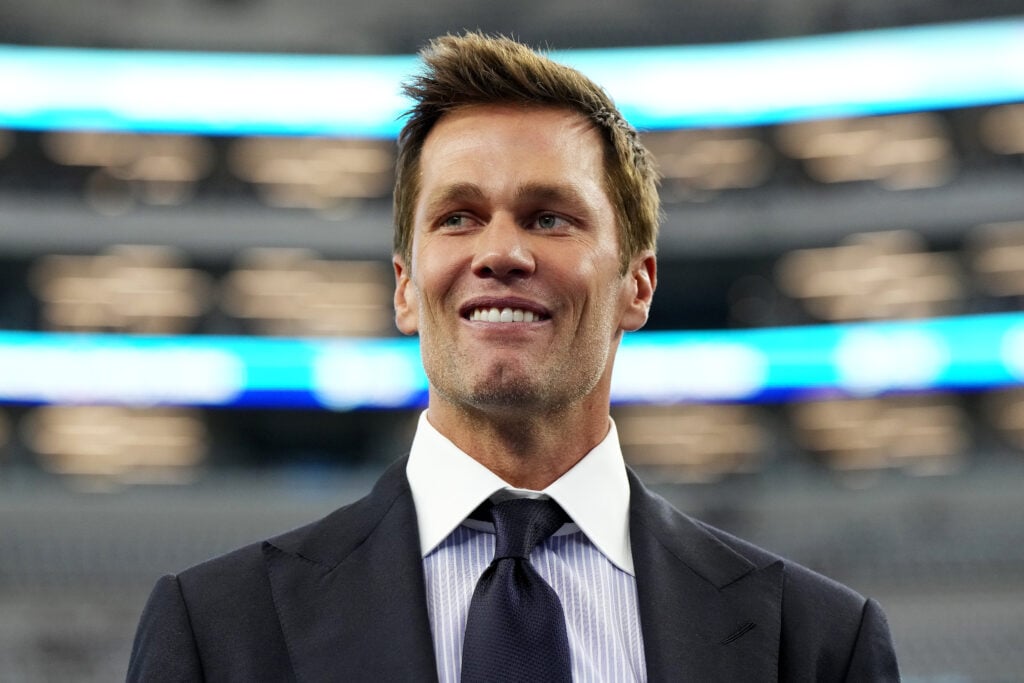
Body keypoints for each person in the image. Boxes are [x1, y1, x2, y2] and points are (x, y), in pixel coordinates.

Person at [128, 32, 900, 682]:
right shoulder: (217, 631)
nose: (500, 251)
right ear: (405, 288)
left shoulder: (820, 644)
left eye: (549, 218)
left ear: (637, 284)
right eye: (458, 216)